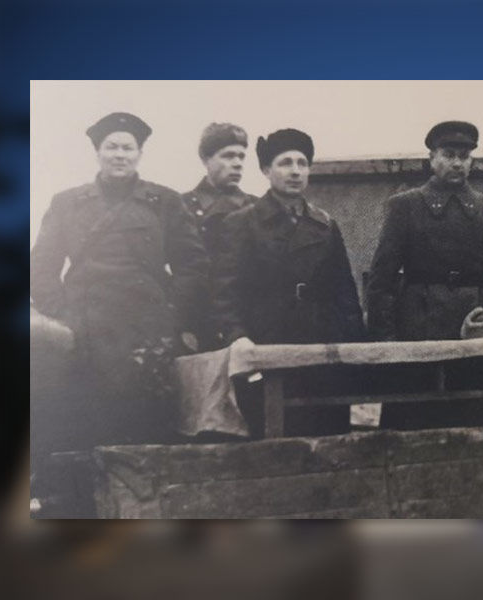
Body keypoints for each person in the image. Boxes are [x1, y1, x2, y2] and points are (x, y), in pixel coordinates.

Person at [30, 112, 209, 450]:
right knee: (86, 423)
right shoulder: (67, 203)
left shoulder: (165, 202)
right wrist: (64, 315)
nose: (120, 155)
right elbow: (40, 267)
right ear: (98, 152)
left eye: (128, 148)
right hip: (86, 330)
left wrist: (172, 316)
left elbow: (193, 265)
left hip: (148, 330)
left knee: (146, 422)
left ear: (139, 154)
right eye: (112, 147)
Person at [366, 120, 483, 429]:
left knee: (472, 421)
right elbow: (381, 280)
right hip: (417, 331)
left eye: (464, 156)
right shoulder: (405, 206)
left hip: (474, 329)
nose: (457, 163)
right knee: (415, 423)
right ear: (432, 159)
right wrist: (387, 340)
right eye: (449, 155)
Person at [213, 128, 365, 436]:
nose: (295, 171)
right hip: (266, 344)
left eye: (302, 163)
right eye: (285, 163)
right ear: (266, 170)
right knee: (273, 433)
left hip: (320, 344)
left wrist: (352, 347)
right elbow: (223, 292)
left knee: (326, 431)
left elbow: (345, 292)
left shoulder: (324, 225)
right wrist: (238, 337)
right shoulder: (242, 223)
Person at [182, 122, 258, 350]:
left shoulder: (258, 207)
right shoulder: (182, 207)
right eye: (228, 156)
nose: (237, 163)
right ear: (206, 159)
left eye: (241, 156)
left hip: (248, 322)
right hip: (199, 323)